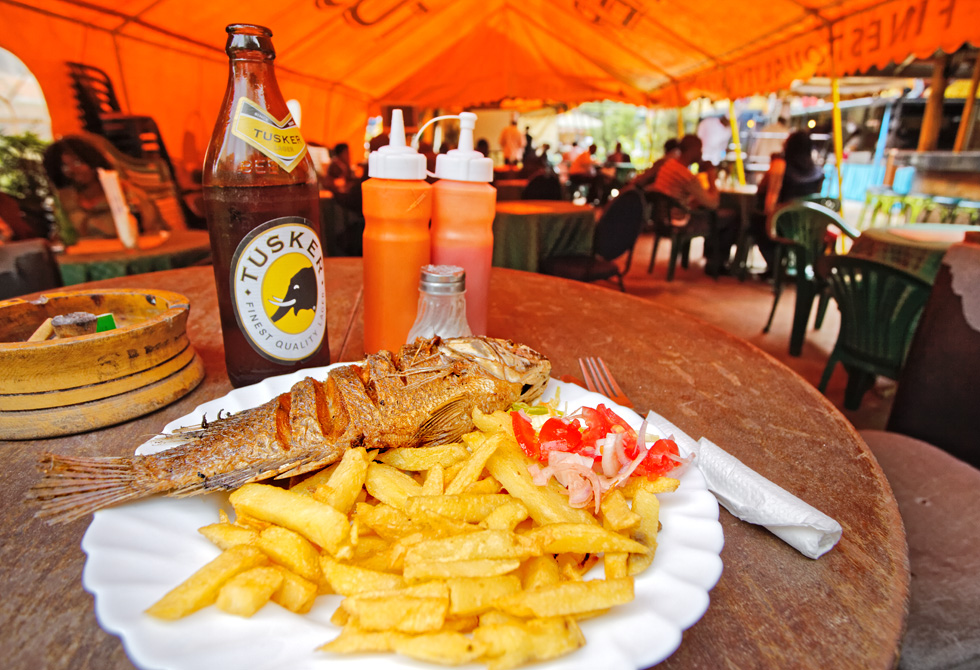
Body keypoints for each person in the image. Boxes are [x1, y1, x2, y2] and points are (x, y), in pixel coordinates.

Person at [42, 137, 166, 240]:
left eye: (77, 162)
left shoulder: (128, 195)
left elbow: (154, 234)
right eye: (64, 167)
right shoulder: (65, 203)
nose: (73, 171)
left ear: (92, 162)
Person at [651, 135, 736, 275]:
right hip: (679, 221)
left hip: (662, 218)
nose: (701, 154)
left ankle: (708, 260)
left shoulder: (668, 166)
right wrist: (711, 176)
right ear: (692, 150)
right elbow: (713, 204)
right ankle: (715, 264)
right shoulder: (686, 176)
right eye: (700, 149)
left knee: (713, 215)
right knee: (729, 218)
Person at [750, 130, 826, 276]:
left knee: (753, 222)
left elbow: (770, 203)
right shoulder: (818, 172)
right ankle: (781, 267)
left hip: (780, 222)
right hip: (805, 226)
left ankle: (775, 267)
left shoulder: (780, 165)